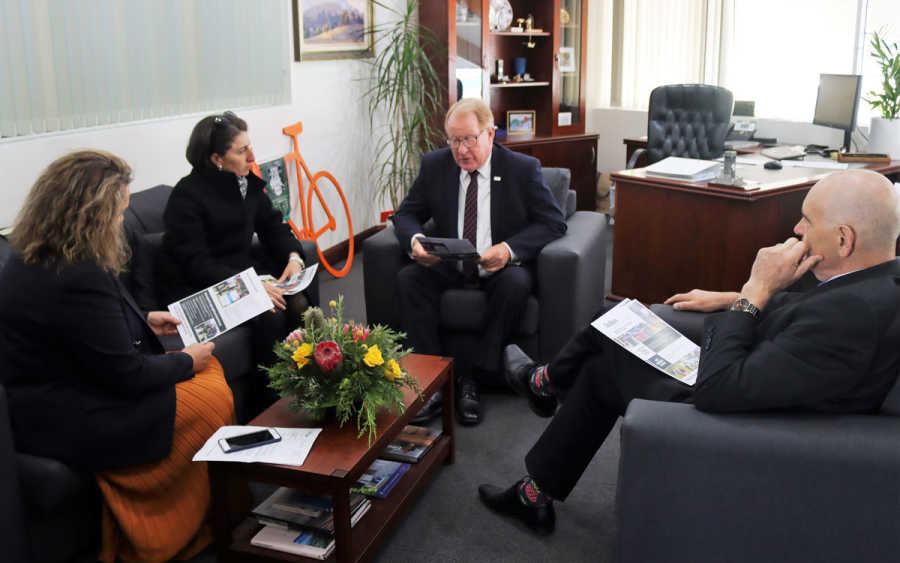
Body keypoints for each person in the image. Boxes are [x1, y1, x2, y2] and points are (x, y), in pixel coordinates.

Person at [478, 168, 900, 535]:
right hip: (764, 377)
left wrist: (754, 292)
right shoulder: (875, 280)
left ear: (843, 239)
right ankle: (542, 409)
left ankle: (543, 394)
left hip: (742, 420)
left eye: (807, 221)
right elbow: (808, 314)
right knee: (626, 318)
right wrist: (732, 296)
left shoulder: (851, 316)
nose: (797, 231)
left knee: (608, 359)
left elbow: (719, 388)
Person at [0, 150, 235, 561]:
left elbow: (80, 331)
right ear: (90, 213)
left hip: (58, 393)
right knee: (212, 392)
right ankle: (173, 530)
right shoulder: (78, 271)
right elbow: (126, 374)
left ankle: (214, 509)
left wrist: (143, 319)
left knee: (209, 373)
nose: (118, 224)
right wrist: (186, 361)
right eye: (116, 214)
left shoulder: (36, 256)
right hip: (71, 412)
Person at [393, 98, 567, 426]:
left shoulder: (521, 169)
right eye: (454, 140)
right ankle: (430, 383)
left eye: (469, 139)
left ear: (490, 133)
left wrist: (508, 249)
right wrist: (416, 242)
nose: (461, 150)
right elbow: (406, 214)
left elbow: (553, 222)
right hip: (449, 264)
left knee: (517, 285)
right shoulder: (435, 166)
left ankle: (471, 377)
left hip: (498, 268)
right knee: (409, 278)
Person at [160, 111, 310, 413]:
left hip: (239, 277)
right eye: (242, 150)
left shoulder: (246, 184)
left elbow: (274, 227)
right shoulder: (187, 196)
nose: (252, 155)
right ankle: (271, 406)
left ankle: (311, 383)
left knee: (298, 302)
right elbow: (196, 264)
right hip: (201, 287)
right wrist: (251, 287)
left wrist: (294, 257)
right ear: (217, 158)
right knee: (269, 313)